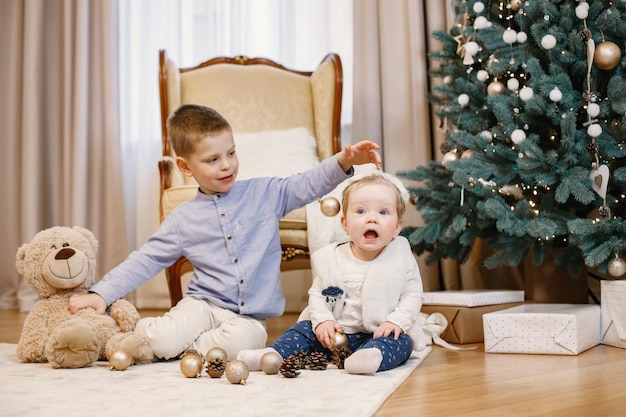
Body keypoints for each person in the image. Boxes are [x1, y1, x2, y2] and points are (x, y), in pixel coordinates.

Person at [68, 104, 381, 361]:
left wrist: (343, 161)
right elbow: (145, 260)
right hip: (201, 305)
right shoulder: (183, 219)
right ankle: (147, 338)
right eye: (212, 160)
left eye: (231, 153)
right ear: (185, 166)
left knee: (248, 343)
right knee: (162, 339)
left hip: (248, 320)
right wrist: (101, 293)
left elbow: (306, 184)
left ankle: (190, 349)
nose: (227, 165)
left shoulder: (266, 193)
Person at [237, 173, 424, 374]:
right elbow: (318, 294)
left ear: (397, 227)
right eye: (360, 211)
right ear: (345, 224)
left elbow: (412, 294)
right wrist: (324, 321)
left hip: (378, 333)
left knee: (402, 342)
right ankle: (271, 355)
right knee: (303, 331)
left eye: (383, 212)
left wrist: (395, 321)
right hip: (334, 335)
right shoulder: (333, 258)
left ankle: (369, 357)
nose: (371, 218)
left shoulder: (400, 257)